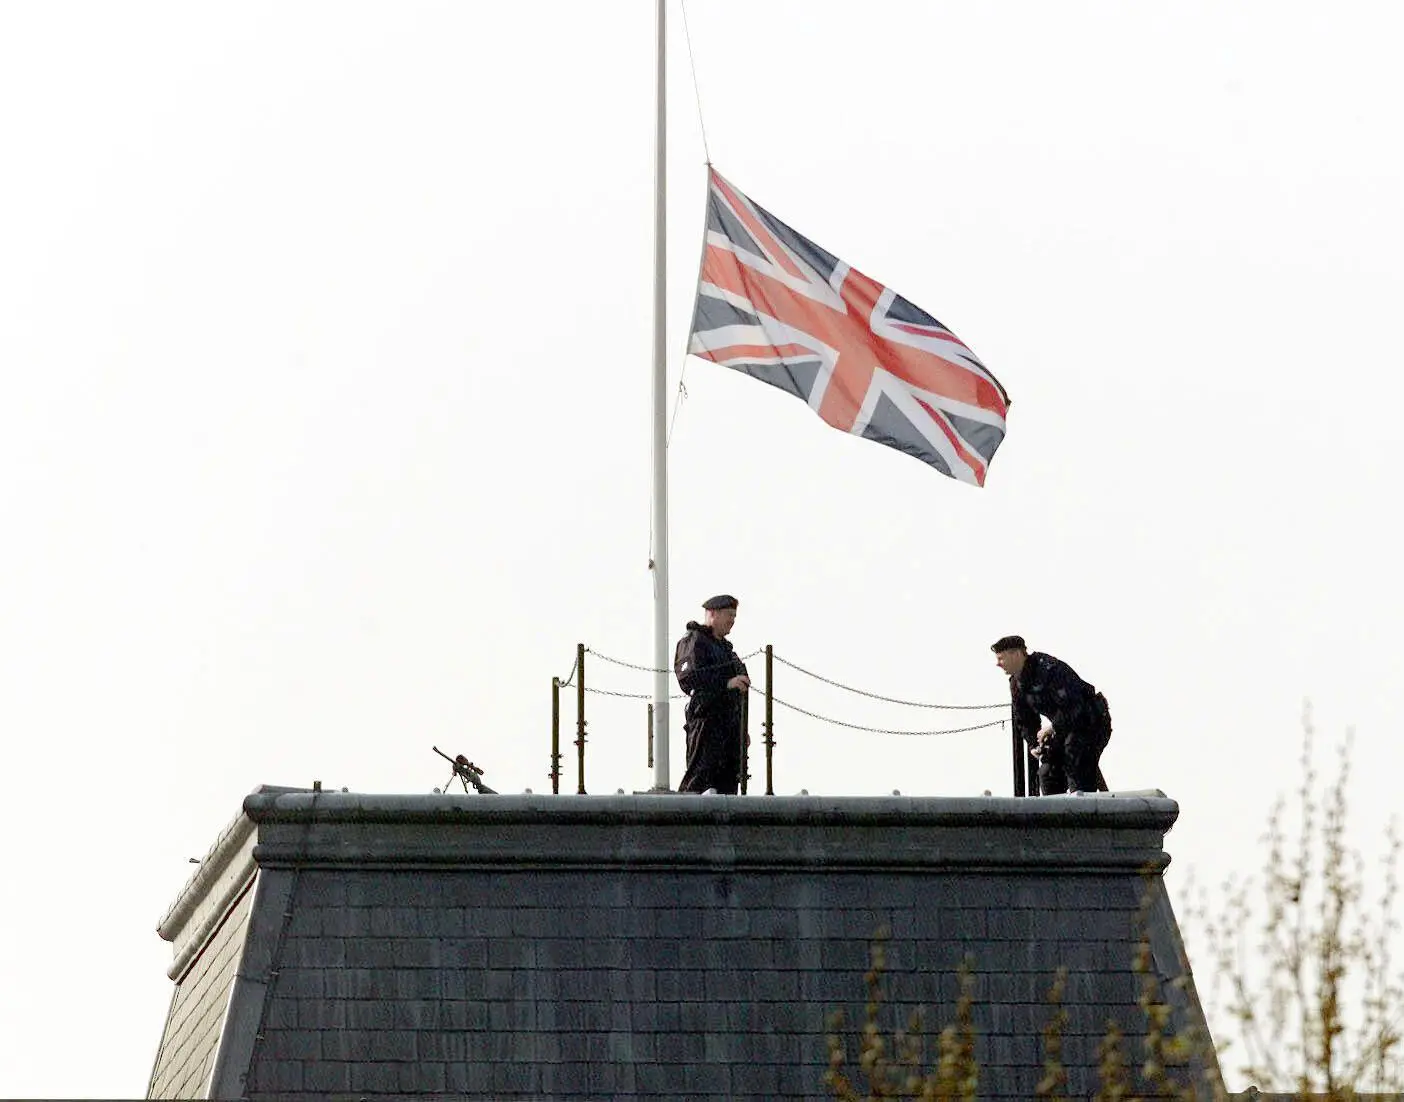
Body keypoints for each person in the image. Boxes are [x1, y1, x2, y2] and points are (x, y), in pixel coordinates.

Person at [991, 635, 1111, 795]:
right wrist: (1034, 745)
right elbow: (1026, 720)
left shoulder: (1050, 669)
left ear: (1016, 654)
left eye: (1001, 658)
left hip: (1091, 722)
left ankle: (1084, 810)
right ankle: (1056, 815)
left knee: (1075, 759)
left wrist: (1053, 727)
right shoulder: (1017, 684)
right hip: (1065, 727)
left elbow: (1076, 705)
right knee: (1048, 772)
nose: (998, 664)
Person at [674, 595, 751, 794]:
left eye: (734, 616)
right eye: (728, 615)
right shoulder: (695, 641)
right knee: (700, 778)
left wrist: (742, 728)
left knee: (728, 782)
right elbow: (689, 678)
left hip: (729, 725)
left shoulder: (726, 650)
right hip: (707, 721)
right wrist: (725, 684)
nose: (732, 620)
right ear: (712, 614)